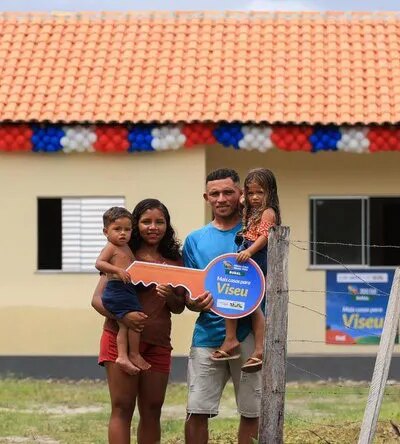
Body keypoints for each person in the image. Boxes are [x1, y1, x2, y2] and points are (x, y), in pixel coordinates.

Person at [92, 198, 186, 444]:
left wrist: (170, 296)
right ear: (136, 225)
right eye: (146, 222)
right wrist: (123, 317)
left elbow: (178, 307)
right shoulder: (122, 255)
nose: (153, 227)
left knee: (153, 409)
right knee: (122, 407)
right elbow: (97, 300)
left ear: (167, 225)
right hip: (119, 340)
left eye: (159, 222)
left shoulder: (175, 261)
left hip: (158, 343)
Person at [183, 168, 261, 444]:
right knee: (196, 410)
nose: (221, 198)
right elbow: (189, 293)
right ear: (206, 198)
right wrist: (194, 303)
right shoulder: (194, 240)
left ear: (240, 194)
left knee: (253, 411)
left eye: (228, 192)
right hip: (207, 335)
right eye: (214, 194)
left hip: (250, 334)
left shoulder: (255, 234)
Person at [211, 168, 281, 373]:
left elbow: (264, 236)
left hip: (255, 257)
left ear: (270, 192)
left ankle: (259, 349)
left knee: (253, 304)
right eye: (250, 193)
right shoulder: (252, 210)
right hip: (246, 254)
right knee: (232, 294)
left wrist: (249, 251)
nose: (255, 197)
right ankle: (231, 339)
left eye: (260, 192)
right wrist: (243, 198)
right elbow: (242, 201)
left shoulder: (268, 212)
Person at [95, 206, 150, 375]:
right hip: (116, 290)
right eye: (117, 229)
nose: (123, 233)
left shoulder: (126, 248)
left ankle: (124, 356)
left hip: (127, 289)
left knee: (125, 326)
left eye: (127, 229)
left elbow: (133, 268)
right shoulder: (111, 247)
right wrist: (117, 270)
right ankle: (132, 354)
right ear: (106, 232)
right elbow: (99, 263)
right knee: (133, 322)